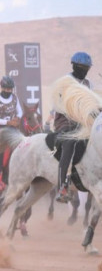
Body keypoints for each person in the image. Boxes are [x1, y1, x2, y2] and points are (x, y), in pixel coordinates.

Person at [55, 52, 94, 202]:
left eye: (87, 68)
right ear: (74, 66)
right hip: (66, 122)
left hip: (83, 122)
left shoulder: (88, 83)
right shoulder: (65, 82)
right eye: (82, 67)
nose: (85, 70)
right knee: (70, 142)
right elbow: (58, 105)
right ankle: (62, 187)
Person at [0, 75, 22, 191]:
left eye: (10, 89)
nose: (9, 91)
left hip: (13, 128)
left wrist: (17, 119)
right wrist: (8, 122)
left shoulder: (14, 98)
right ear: (2, 88)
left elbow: (20, 112)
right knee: (0, 151)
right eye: (7, 89)